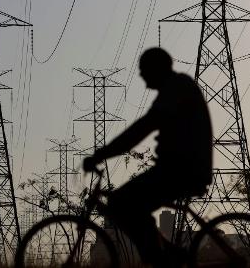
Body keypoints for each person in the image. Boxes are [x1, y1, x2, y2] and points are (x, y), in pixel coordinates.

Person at [83, 47, 213, 267]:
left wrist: (101, 154)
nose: (142, 77)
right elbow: (144, 127)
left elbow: (141, 129)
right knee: (128, 204)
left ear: (156, 69)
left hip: (182, 169)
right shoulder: (174, 88)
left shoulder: (175, 90)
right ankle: (168, 255)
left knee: (122, 202)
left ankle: (158, 259)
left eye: (144, 71)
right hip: (180, 167)